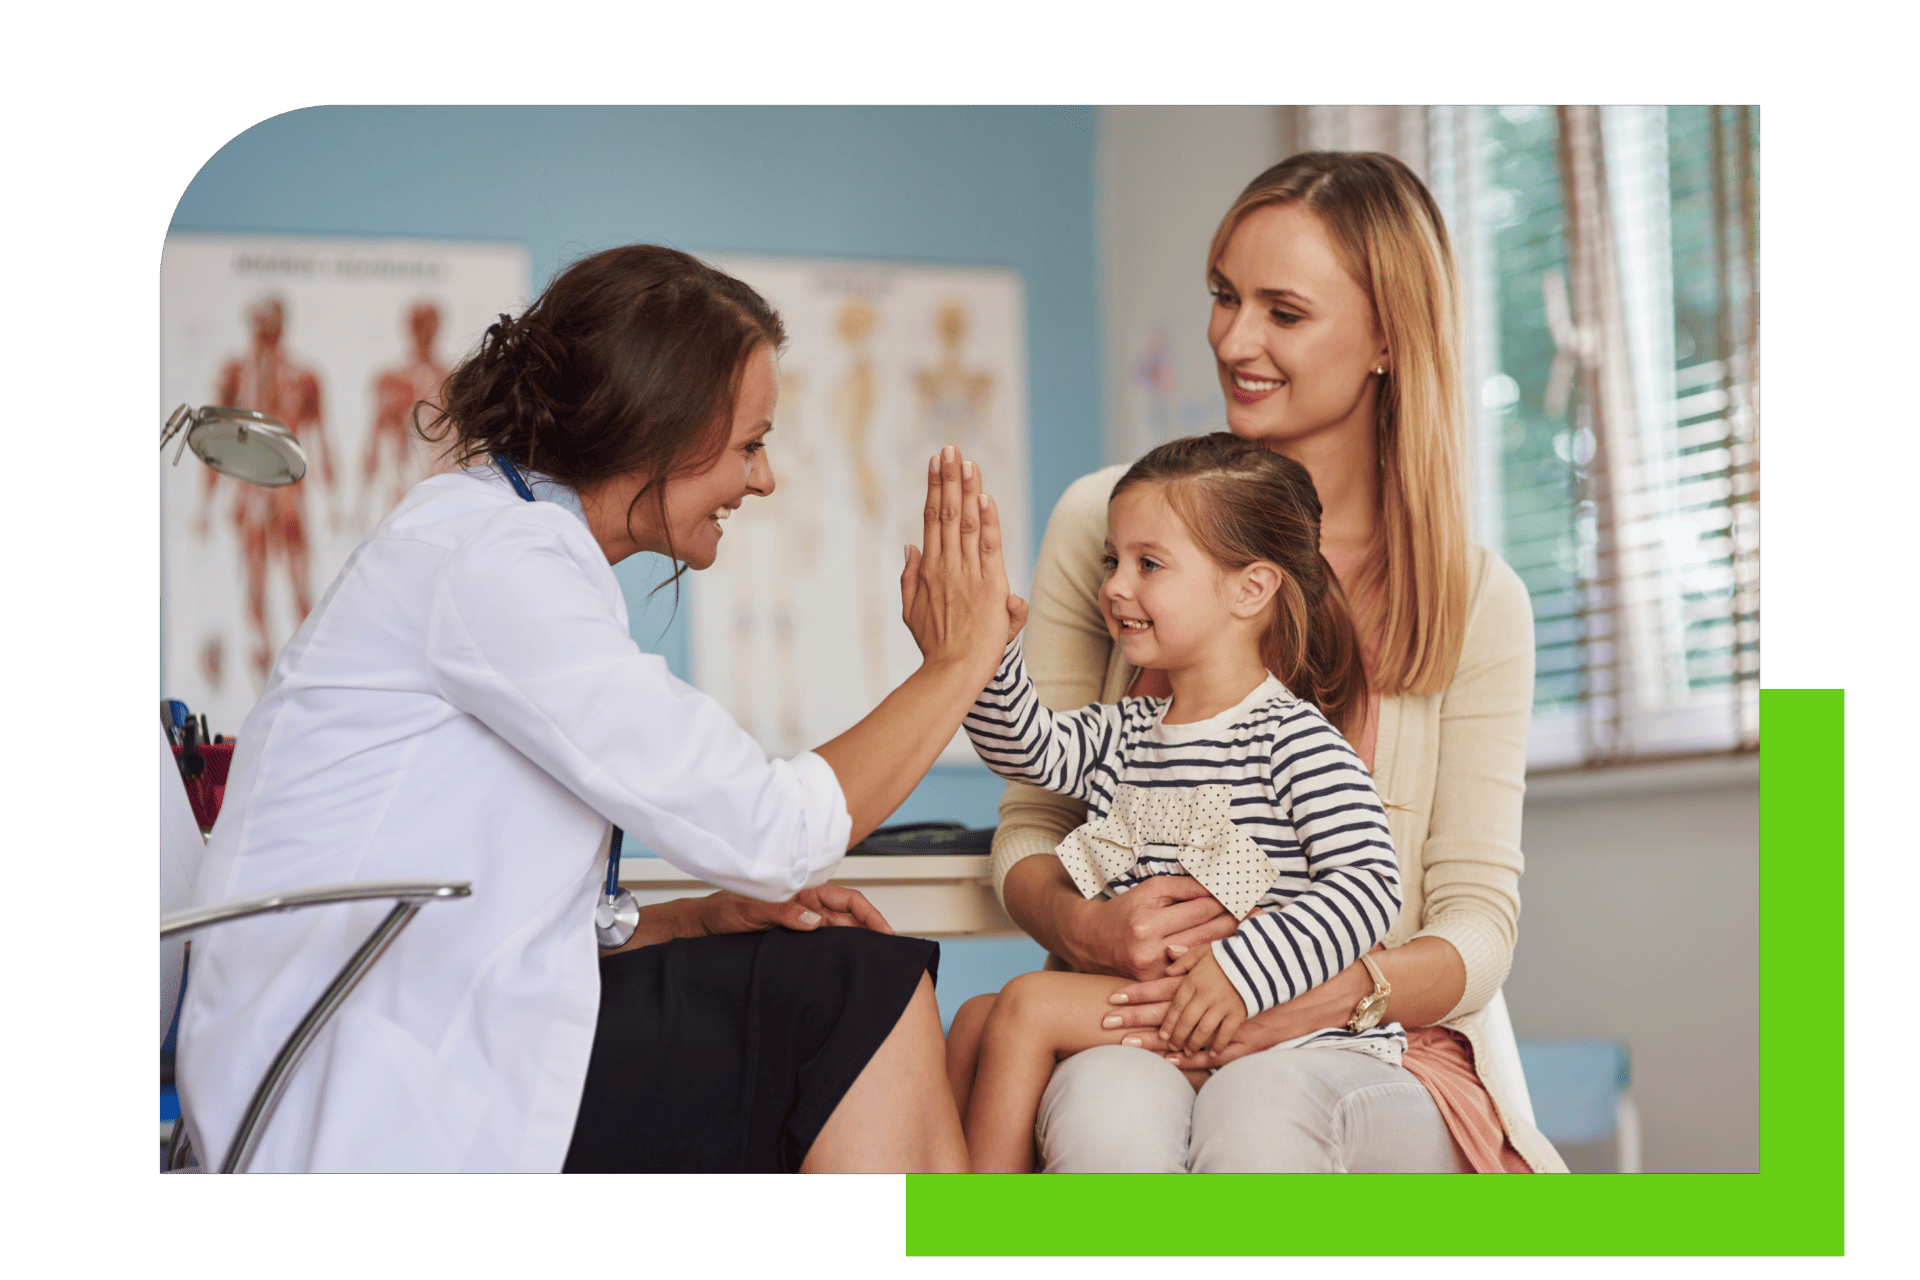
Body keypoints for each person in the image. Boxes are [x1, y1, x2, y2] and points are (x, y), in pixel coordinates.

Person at [175, 244, 1023, 1174]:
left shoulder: (492, 543)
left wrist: (692, 920)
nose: (764, 479)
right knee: (846, 992)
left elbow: (502, 914)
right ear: (657, 431)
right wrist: (960, 662)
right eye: (750, 443)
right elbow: (774, 830)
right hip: (350, 1099)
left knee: (827, 988)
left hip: (405, 1036)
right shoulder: (496, 563)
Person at [991, 152, 1568, 1173]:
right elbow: (1034, 821)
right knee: (1105, 1116)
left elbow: (1476, 923)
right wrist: (1087, 926)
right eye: (1223, 296)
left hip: (1368, 1040)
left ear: (1388, 336)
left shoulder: (1476, 601)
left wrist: (1320, 989)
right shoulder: (1107, 524)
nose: (1232, 338)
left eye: (1282, 312)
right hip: (1141, 1012)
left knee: (1264, 1103)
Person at [947, 435, 1402, 1172]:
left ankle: (973, 1248)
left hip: (1256, 1018)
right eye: (1112, 562)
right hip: (1156, 1003)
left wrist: (1241, 973)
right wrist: (983, 651)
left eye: (1148, 565)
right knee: (973, 1022)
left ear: (1250, 590)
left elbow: (1369, 886)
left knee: (1027, 1007)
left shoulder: (1292, 739)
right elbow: (1023, 749)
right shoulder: (1126, 730)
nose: (1116, 587)